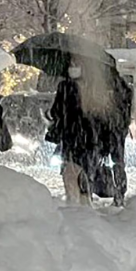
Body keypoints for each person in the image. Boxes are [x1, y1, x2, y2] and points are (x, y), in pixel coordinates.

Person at [48, 59, 100, 205]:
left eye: (75, 65)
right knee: (83, 171)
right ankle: (84, 202)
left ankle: (74, 204)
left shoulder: (65, 87)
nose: (73, 68)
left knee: (70, 173)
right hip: (87, 137)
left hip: (71, 136)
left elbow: (56, 111)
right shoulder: (91, 87)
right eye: (72, 65)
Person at [89, 68, 132, 206]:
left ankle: (92, 190)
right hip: (113, 131)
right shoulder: (122, 88)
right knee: (117, 163)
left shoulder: (98, 86)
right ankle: (119, 193)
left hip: (105, 131)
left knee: (95, 162)